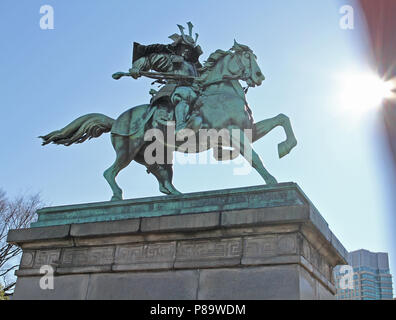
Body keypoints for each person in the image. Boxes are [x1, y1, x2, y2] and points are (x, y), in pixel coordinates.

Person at [129, 22, 203, 132]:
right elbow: (149, 59)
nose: (187, 51)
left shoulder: (196, 67)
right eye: (184, 48)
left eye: (189, 49)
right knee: (186, 94)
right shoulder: (170, 60)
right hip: (175, 90)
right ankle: (180, 125)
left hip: (195, 91)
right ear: (178, 48)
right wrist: (137, 67)